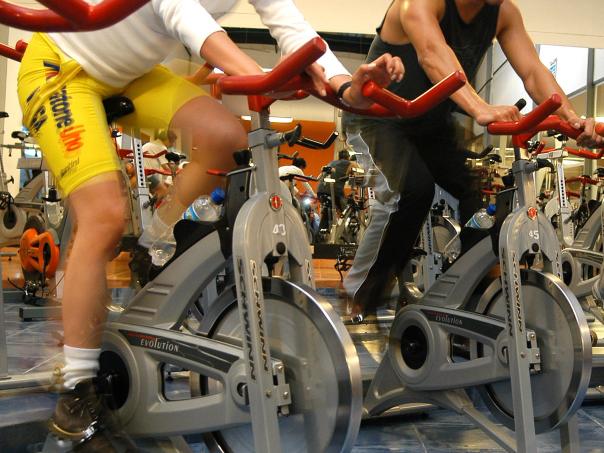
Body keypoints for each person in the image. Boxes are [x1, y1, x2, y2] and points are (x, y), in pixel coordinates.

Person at [16, 1, 404, 449]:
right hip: (60, 68)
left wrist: (345, 84)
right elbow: (180, 12)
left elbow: (292, 27)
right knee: (103, 219)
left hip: (130, 75)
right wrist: (258, 75)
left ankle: (153, 240)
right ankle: (76, 397)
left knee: (227, 139)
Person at [342, 0, 603, 322]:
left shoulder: (503, 13)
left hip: (431, 125)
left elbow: (533, 71)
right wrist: (480, 107)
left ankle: (470, 299)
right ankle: (361, 295)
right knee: (412, 191)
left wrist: (572, 120)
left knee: (474, 200)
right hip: (378, 119)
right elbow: (432, 53)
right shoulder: (421, 3)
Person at [317, 150, 355, 233]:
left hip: (320, 191)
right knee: (347, 209)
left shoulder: (331, 162)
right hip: (333, 191)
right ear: (348, 157)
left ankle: (323, 235)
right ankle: (344, 232)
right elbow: (357, 174)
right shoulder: (350, 163)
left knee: (329, 212)